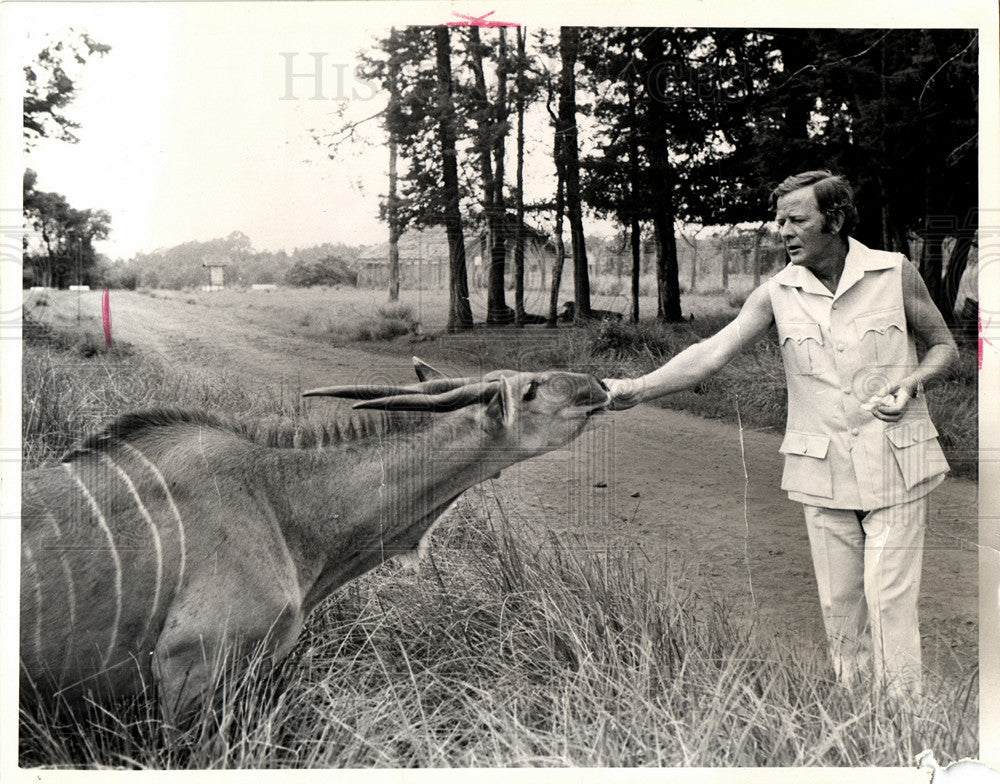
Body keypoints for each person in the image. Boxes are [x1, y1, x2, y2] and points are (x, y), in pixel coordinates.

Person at [604, 170, 958, 702]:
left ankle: (905, 725)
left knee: (889, 599)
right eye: (779, 220)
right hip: (823, 468)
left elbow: (944, 347)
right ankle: (857, 719)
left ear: (834, 220)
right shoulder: (776, 293)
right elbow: (711, 353)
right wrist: (640, 387)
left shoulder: (894, 272)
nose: (782, 231)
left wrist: (910, 385)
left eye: (796, 219)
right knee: (841, 606)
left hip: (897, 461)